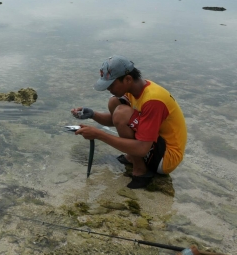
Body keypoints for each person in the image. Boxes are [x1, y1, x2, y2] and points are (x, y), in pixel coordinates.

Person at [71, 55, 187, 189]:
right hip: (154, 146)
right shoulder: (137, 88)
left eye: (111, 84)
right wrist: (92, 114)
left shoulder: (153, 100)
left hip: (166, 158)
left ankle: (140, 170)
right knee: (114, 102)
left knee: (121, 112)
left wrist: (99, 135)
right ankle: (132, 158)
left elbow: (142, 148)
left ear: (127, 79)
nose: (108, 89)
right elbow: (116, 120)